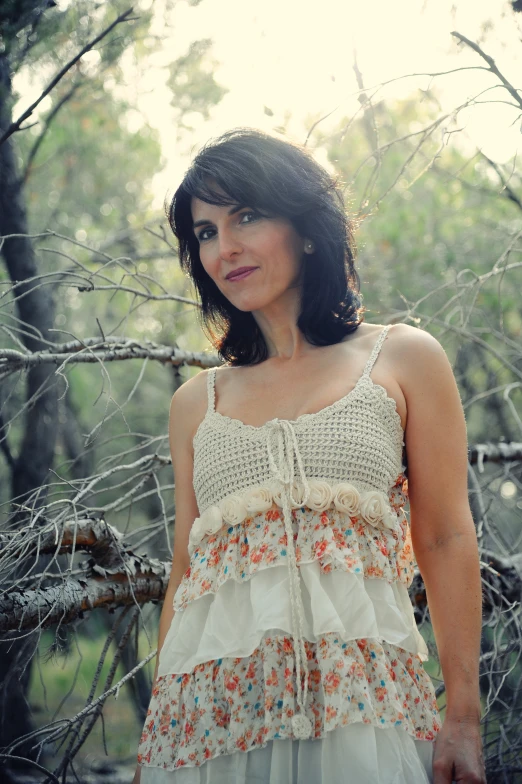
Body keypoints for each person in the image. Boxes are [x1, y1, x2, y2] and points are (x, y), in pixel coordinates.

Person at [133, 128, 485, 783]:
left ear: (308, 228)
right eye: (205, 232)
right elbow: (185, 577)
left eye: (245, 216)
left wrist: (463, 717)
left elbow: (442, 536)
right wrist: (158, 738)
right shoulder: (195, 403)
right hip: (214, 727)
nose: (224, 247)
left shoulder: (402, 358)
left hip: (365, 713)